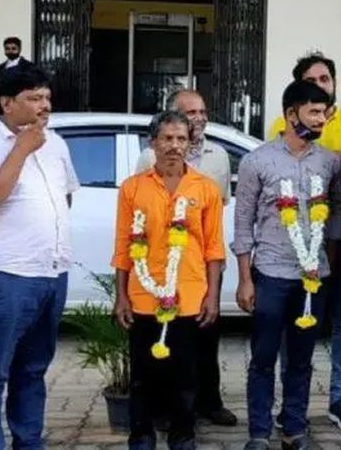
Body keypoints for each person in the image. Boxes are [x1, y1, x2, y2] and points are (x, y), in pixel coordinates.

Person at [0, 66, 80, 450]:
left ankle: (28, 442)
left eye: (46, 98)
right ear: (7, 103)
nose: (45, 106)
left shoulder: (57, 143)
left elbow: (66, 197)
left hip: (52, 273)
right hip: (6, 275)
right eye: (34, 98)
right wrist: (22, 149)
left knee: (33, 369)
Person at [235, 80, 341, 450]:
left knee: (301, 358)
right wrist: (245, 280)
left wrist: (326, 264)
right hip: (270, 273)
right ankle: (259, 432)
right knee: (263, 357)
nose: (320, 120)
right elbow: (242, 222)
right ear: (290, 114)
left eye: (323, 113)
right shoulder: (257, 161)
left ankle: (295, 428)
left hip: (313, 278)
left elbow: (335, 218)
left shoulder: (329, 162)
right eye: (313, 112)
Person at [267, 52, 341, 427]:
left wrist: (330, 157)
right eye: (311, 80)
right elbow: (287, 167)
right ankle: (291, 404)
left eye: (325, 79)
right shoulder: (281, 122)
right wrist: (335, 158)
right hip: (300, 236)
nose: (320, 85)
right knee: (296, 319)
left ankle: (339, 398)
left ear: (335, 83)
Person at [112, 110, 226, 450]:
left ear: (190, 143)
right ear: (153, 143)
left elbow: (214, 248)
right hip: (143, 295)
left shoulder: (205, 189)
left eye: (181, 139)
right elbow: (122, 245)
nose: (174, 146)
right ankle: (142, 435)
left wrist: (214, 297)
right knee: (143, 375)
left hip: (190, 297)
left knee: (186, 376)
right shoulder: (133, 188)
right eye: (167, 138)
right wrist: (121, 295)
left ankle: (182, 435)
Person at [135, 90, 236, 426]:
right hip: (160, 270)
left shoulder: (218, 155)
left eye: (203, 111)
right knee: (166, 342)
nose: (199, 117)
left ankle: (209, 402)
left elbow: (217, 210)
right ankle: (168, 410)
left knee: (205, 339)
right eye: (191, 111)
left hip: (198, 262)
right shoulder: (150, 160)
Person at [0, 37, 34, 116]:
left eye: (13, 48)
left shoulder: (28, 66)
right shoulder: (1, 67)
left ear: (19, 49)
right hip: (2, 110)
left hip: (20, 109)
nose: (10, 51)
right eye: (7, 48)